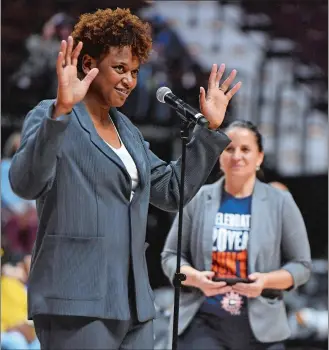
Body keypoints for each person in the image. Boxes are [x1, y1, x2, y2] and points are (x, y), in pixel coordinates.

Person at [9, 8, 242, 350]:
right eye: (120, 69)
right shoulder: (50, 115)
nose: (129, 81)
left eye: (134, 71)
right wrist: (60, 114)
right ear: (88, 65)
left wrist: (208, 133)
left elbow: (171, 191)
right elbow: (24, 183)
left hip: (133, 302)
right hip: (77, 300)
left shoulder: (127, 131)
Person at [161, 120, 311, 350]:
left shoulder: (280, 202)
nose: (236, 156)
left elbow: (301, 266)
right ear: (220, 156)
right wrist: (194, 278)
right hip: (202, 321)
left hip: (261, 328)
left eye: (245, 149)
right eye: (229, 149)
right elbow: (171, 256)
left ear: (259, 157)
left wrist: (265, 282)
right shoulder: (198, 198)